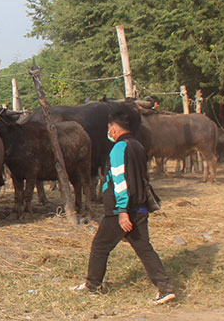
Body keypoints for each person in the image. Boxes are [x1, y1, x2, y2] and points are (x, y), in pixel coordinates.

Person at [73, 107, 175, 305]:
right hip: (140, 207)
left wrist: (121, 212)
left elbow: (120, 181)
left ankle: (93, 285)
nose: (108, 131)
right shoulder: (138, 145)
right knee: (144, 248)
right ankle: (165, 288)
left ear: (114, 128)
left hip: (121, 210)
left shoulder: (119, 148)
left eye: (109, 127)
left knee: (100, 246)